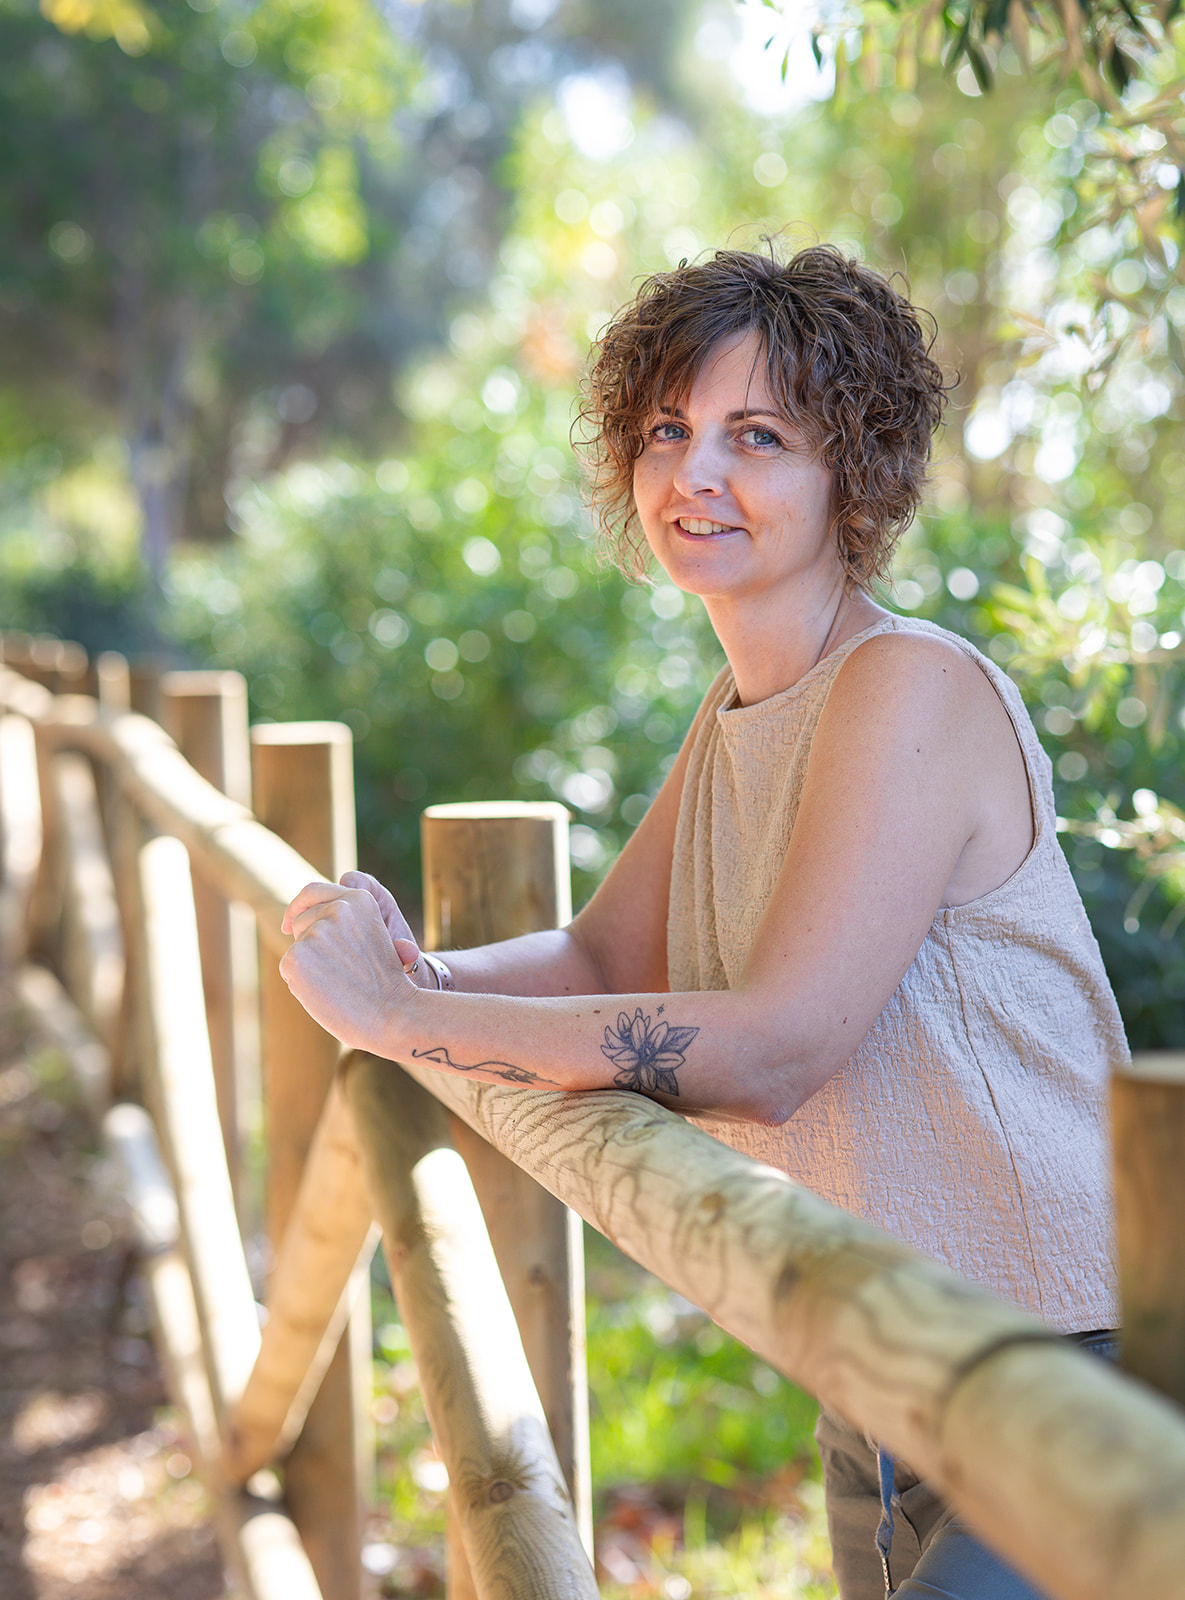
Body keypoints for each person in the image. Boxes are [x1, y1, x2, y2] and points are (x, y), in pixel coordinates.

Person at [280, 243, 1126, 1600]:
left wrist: (399, 1021)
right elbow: (599, 958)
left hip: (1067, 1372)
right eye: (667, 430)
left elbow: (775, 1048)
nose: (696, 474)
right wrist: (405, 967)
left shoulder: (907, 686)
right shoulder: (740, 711)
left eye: (759, 436)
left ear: (855, 469)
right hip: (883, 1369)